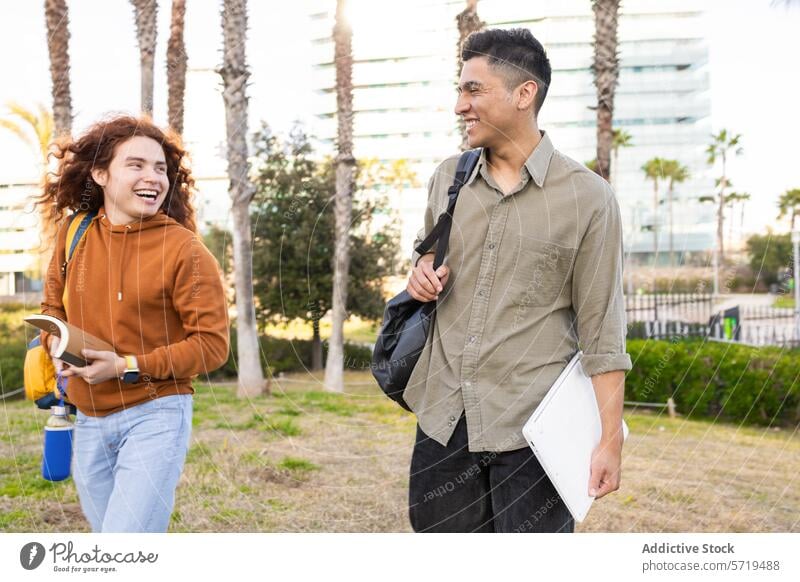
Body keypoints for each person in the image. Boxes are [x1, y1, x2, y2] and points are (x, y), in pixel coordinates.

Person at [404, 28, 632, 533]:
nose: (460, 105)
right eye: (460, 90)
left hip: (533, 435)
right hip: (444, 423)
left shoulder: (589, 199)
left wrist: (609, 439)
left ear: (524, 94)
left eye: (472, 89)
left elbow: (603, 329)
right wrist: (419, 274)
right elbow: (426, 256)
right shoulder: (448, 178)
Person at [38, 115, 230, 533]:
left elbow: (212, 346)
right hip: (88, 416)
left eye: (161, 168)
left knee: (125, 546)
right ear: (101, 174)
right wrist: (55, 343)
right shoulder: (75, 232)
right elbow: (53, 307)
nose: (154, 177)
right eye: (137, 165)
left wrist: (125, 365)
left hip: (156, 412)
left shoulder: (186, 251)